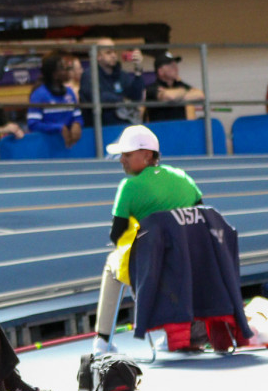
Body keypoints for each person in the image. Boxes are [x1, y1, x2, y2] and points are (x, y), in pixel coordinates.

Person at [92, 125, 203, 355]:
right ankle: (178, 332)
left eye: (127, 154)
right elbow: (201, 218)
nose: (121, 160)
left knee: (112, 265)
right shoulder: (184, 178)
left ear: (147, 155)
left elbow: (117, 235)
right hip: (190, 266)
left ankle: (102, 340)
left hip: (151, 270)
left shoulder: (129, 187)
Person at [79, 38, 145, 128]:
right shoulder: (89, 75)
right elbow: (98, 97)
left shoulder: (122, 74)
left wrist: (138, 72)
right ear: (98, 56)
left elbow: (136, 97)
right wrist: (123, 100)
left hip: (125, 126)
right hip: (100, 128)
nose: (113, 55)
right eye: (108, 52)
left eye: (114, 52)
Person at [27, 50, 82, 147]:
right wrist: (58, 128)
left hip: (69, 148)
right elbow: (33, 124)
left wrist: (77, 124)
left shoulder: (70, 92)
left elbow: (77, 116)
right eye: (63, 68)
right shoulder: (38, 95)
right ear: (54, 73)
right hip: (46, 147)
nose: (67, 71)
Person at [143, 52, 204, 122]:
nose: (176, 69)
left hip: (179, 127)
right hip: (161, 127)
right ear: (160, 71)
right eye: (172, 66)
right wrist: (184, 93)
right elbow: (170, 96)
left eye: (176, 65)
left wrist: (177, 95)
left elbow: (200, 95)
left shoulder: (179, 84)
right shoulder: (152, 88)